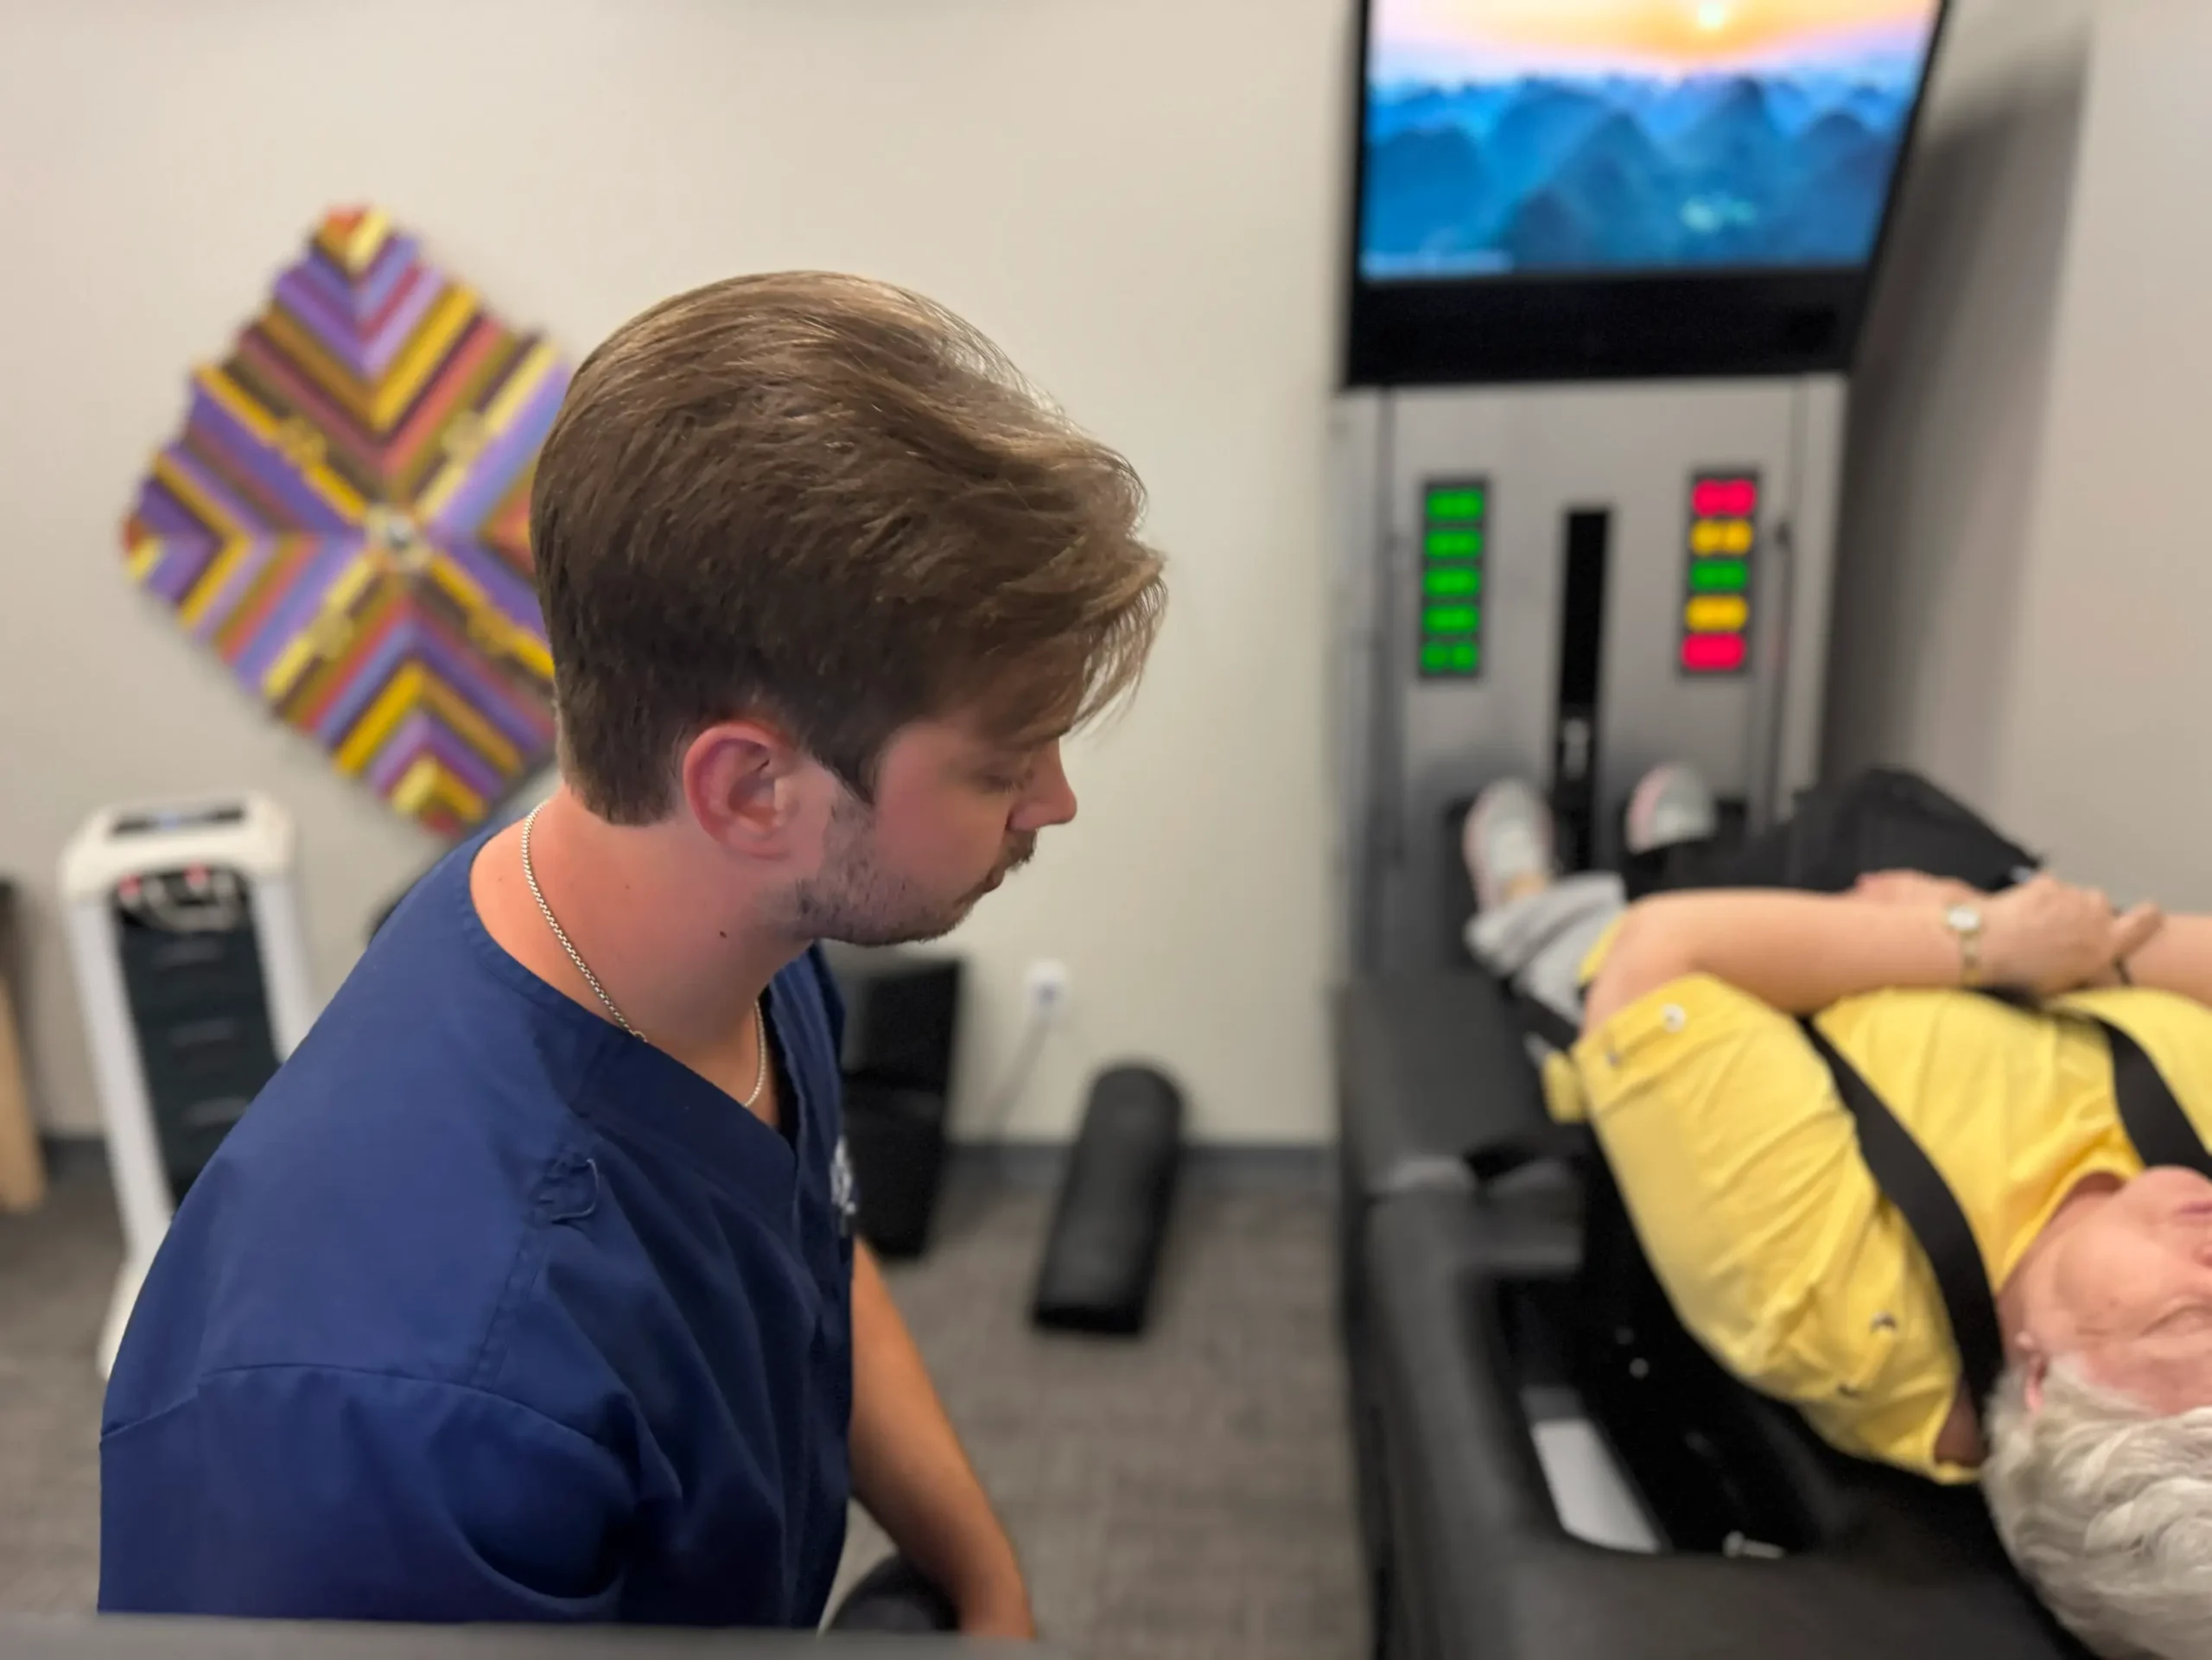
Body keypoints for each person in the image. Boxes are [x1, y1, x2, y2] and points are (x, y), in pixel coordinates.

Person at [98, 273, 1167, 1634]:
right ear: (750, 790)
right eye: (1002, 764)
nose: (1054, 800)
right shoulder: (416, 1407)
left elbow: (806, 1239)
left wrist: (987, 1583)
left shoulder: (730, 935)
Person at [1464, 767, 2212, 1660]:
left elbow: (1661, 956)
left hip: (1774, 944)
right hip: (1978, 923)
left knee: (1590, 944)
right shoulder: (2167, 1215)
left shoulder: (1844, 1301)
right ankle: (1677, 846)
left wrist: (1973, 943)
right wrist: (2050, 942)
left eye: (2190, 1314)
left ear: (2047, 1386)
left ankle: (1526, 896)